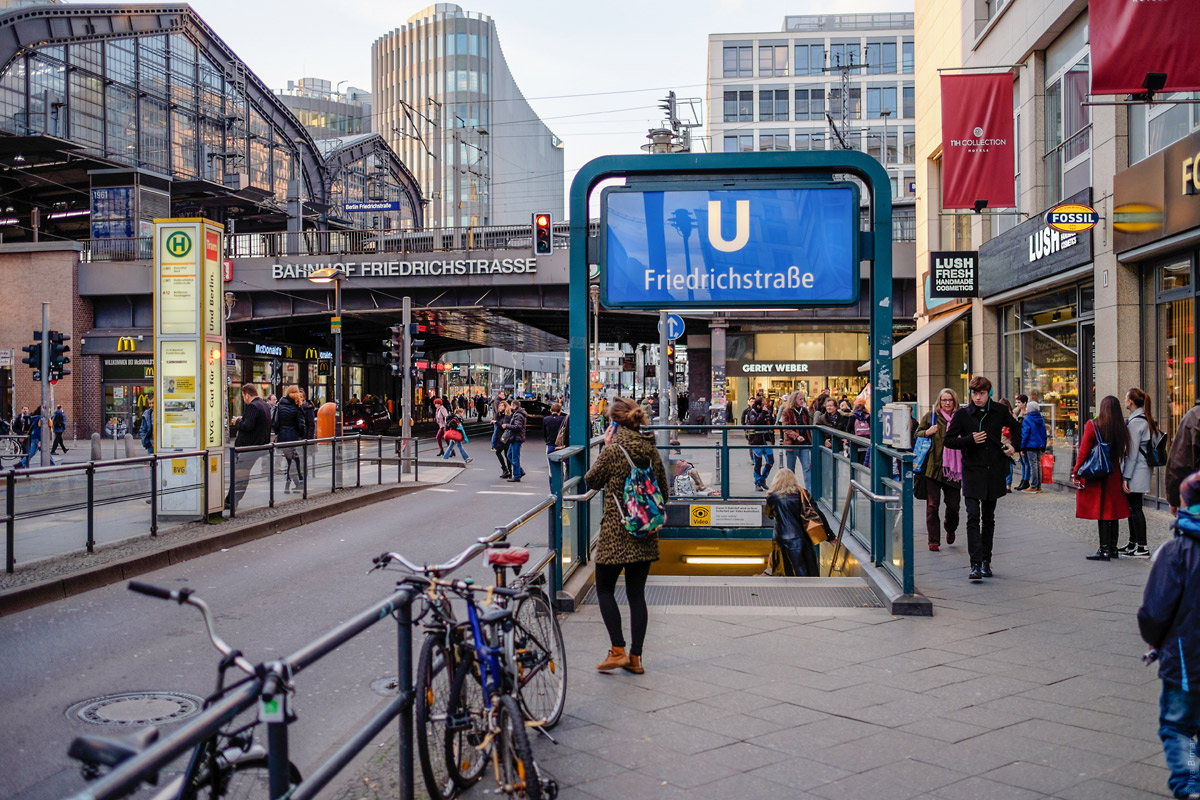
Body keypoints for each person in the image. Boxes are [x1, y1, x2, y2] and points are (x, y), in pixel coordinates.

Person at [584, 397, 668, 675]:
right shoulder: (649, 447)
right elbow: (663, 492)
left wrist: (605, 449)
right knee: (636, 595)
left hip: (616, 530)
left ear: (615, 422)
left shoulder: (613, 449)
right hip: (644, 531)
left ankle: (617, 649)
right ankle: (636, 658)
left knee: (605, 589)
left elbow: (592, 481)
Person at [1139, 470, 1200, 800]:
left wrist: (1154, 640)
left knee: (1180, 726)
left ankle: (1191, 783)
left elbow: (1154, 610)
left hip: (1186, 662)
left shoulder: (1176, 552)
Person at [943, 375, 1023, 581]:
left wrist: (1014, 446)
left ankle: (986, 561)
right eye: (974, 394)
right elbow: (949, 441)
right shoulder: (962, 414)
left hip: (993, 470)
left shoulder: (998, 410)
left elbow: (1016, 427)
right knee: (972, 516)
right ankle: (975, 564)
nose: (978, 398)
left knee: (989, 518)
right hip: (972, 471)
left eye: (982, 394)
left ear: (989, 393)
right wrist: (970, 439)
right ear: (970, 394)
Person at [1072, 395, 1131, 562]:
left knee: (1101, 511)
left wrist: (1076, 471)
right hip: (1114, 472)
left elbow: (1083, 451)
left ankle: (1104, 549)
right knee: (1113, 511)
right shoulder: (1121, 427)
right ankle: (1112, 548)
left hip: (1098, 473)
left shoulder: (1094, 425)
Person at [917, 388, 963, 552]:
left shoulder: (961, 418)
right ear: (939, 402)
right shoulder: (931, 417)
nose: (947, 403)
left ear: (954, 401)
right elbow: (917, 433)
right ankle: (933, 540)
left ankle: (950, 528)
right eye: (944, 400)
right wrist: (927, 432)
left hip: (954, 470)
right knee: (932, 506)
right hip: (933, 468)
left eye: (950, 400)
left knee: (953, 507)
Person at [1120, 388, 1158, 558]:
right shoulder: (1144, 419)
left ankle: (1142, 547)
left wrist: (1125, 477)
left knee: (1135, 508)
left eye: (1126, 398)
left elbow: (1132, 454)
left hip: (1136, 471)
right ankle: (1133, 543)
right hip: (1141, 469)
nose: (1125, 400)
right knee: (1133, 507)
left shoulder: (1136, 423)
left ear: (1131, 402)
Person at [766, 468, 819, 576]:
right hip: (802, 536)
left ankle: (788, 589)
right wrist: (830, 536)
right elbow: (817, 514)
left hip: (781, 537)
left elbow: (769, 515)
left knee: (785, 569)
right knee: (804, 568)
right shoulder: (803, 494)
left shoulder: (772, 497)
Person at [227, 384, 272, 508]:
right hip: (259, 445)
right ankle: (230, 499)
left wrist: (238, 421)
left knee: (240, 474)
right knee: (241, 473)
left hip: (249, 447)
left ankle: (232, 501)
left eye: (243, 396)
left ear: (247, 394)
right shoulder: (264, 405)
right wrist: (244, 419)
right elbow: (255, 422)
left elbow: (247, 426)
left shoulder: (253, 406)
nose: (244, 399)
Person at [273, 385, 307, 494]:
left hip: (283, 437)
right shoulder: (297, 405)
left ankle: (291, 484)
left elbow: (275, 422)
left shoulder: (280, 405)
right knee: (294, 460)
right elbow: (301, 424)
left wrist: (279, 432)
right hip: (293, 437)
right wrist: (302, 435)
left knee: (290, 460)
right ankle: (298, 482)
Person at [780, 389, 813, 490]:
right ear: (794, 400)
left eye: (803, 399)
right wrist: (796, 435)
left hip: (804, 444)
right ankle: (791, 489)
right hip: (792, 445)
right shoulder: (787, 412)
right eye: (800, 399)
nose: (802, 401)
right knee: (790, 469)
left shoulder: (804, 411)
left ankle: (809, 491)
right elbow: (785, 427)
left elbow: (809, 424)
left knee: (807, 468)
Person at [742, 396, 774, 491]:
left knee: (770, 461)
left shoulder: (767, 412)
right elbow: (756, 423)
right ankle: (757, 482)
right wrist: (764, 413)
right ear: (759, 405)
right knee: (758, 463)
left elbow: (772, 423)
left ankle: (763, 479)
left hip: (766, 440)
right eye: (763, 404)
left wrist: (770, 416)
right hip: (756, 441)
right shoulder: (752, 413)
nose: (765, 405)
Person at [1019, 399, 1048, 493]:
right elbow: (1044, 433)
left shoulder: (1027, 419)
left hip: (1030, 444)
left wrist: (1022, 447)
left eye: (1028, 407)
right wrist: (1044, 445)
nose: (1026, 409)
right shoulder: (1041, 419)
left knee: (1033, 465)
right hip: (1039, 445)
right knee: (1037, 464)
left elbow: (1025, 434)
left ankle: (1034, 485)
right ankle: (1038, 485)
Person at [543, 401, 567, 483]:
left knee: (551, 470)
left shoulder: (546, 419)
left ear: (550, 410)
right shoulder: (563, 419)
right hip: (561, 446)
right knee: (562, 468)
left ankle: (553, 488)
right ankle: (561, 486)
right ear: (559, 411)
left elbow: (544, 434)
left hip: (550, 445)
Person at [504, 400, 527, 482]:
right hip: (515, 438)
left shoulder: (518, 415)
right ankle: (520, 471)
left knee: (514, 457)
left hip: (516, 438)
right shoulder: (518, 414)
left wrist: (507, 426)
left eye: (511, 405)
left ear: (514, 406)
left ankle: (516, 475)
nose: (510, 407)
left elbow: (517, 427)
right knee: (509, 455)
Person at [492, 400, 513, 478]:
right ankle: (507, 470)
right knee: (502, 453)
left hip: (505, 437)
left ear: (505, 407)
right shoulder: (500, 415)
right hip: (501, 437)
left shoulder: (507, 416)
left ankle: (507, 471)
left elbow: (504, 426)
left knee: (504, 453)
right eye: (499, 406)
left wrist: (496, 422)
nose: (500, 407)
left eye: (502, 406)